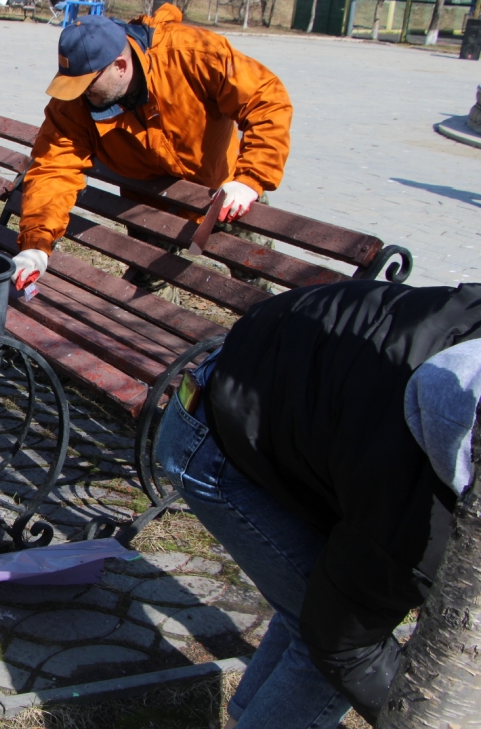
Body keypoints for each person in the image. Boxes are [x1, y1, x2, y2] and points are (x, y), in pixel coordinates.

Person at [155, 279, 481, 727]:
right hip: (217, 442)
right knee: (324, 652)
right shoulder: (423, 514)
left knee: (312, 604)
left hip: (255, 389)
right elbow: (345, 646)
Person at [10, 4, 292, 292]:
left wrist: (250, 179)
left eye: (88, 85)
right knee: (148, 294)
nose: (80, 95)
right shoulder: (74, 100)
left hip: (225, 193)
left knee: (258, 285)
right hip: (150, 203)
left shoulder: (192, 54)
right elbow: (55, 167)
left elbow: (266, 100)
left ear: (120, 66)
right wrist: (37, 244)